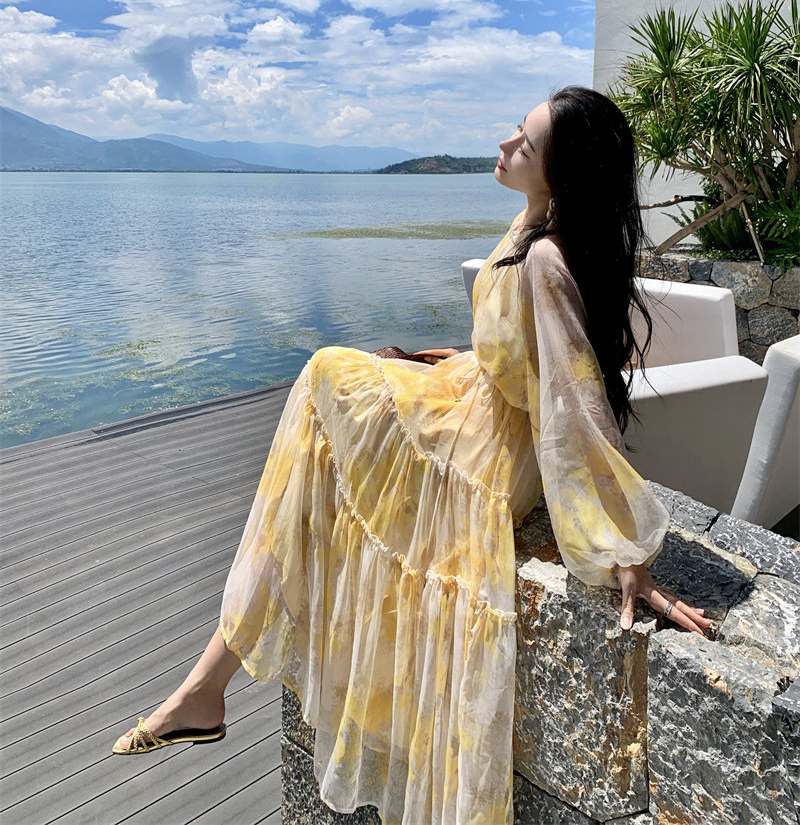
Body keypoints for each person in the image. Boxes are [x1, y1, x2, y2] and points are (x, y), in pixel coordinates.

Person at [112, 87, 713, 824]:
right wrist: (443, 359)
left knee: (322, 387)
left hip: (489, 449)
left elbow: (573, 401)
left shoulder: (547, 259)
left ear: (559, 174)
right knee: (322, 436)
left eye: (523, 143)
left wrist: (626, 552)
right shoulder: (533, 225)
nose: (504, 145)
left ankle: (206, 686)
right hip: (469, 399)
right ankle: (206, 687)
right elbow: (514, 350)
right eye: (515, 131)